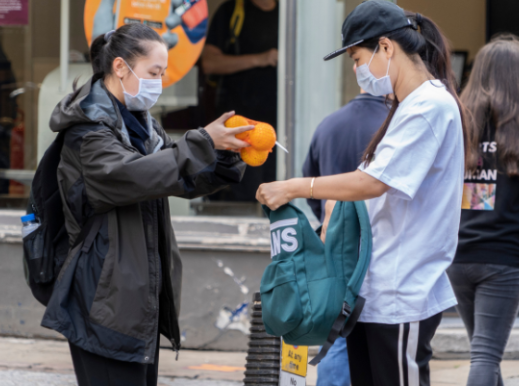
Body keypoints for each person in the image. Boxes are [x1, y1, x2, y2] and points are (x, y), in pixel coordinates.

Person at [257, 2, 467, 384]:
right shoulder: (408, 106)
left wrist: (294, 187)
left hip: (403, 292)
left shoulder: (429, 106)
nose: (357, 70)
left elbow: (372, 182)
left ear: (386, 48)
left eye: (357, 58)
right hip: (376, 290)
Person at [40, 23, 252, 386]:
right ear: (121, 67)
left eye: (162, 73)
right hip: (104, 296)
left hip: (137, 296)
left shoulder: (140, 123)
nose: (160, 81)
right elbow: (130, 176)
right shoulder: (87, 129)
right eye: (154, 72)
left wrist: (222, 158)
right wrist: (201, 142)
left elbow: (173, 173)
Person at [447, 36, 519, 386]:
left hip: (457, 255)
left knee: (485, 351)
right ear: (516, 78)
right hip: (504, 258)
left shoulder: (457, 129)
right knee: (485, 354)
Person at [302, 65, 391, 386]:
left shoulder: (328, 125)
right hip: (380, 248)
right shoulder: (393, 127)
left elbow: (312, 185)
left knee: (336, 331)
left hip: (334, 246)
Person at [202, 0, 278, 202]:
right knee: (246, 191)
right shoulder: (232, 11)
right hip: (241, 125)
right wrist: (261, 59)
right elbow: (209, 63)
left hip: (283, 124)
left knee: (277, 190)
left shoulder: (295, 16)